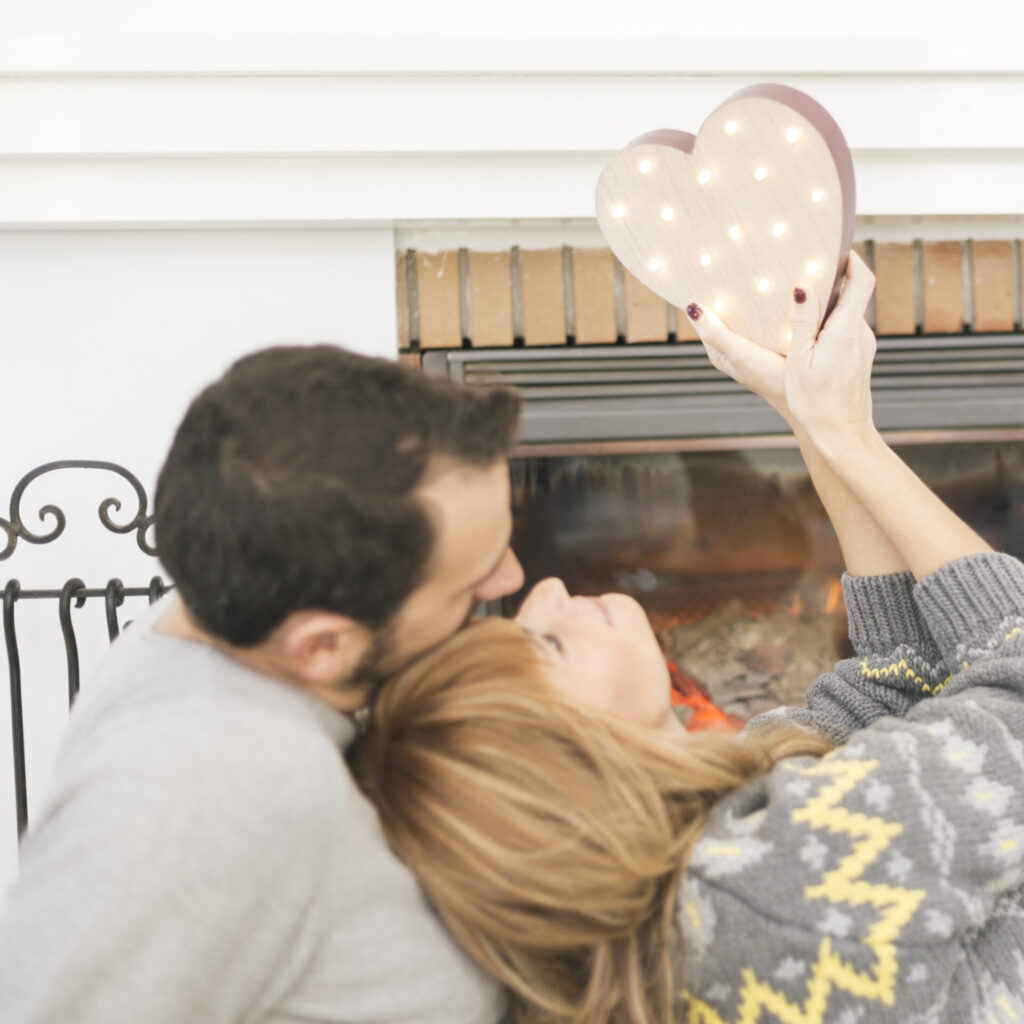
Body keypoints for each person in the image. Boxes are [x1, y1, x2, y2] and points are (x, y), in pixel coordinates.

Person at [350, 253, 1024, 1023]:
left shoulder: (703, 860)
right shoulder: (767, 888)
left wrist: (816, 422)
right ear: (575, 767)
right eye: (547, 645)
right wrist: (850, 437)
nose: (544, 592)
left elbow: (891, 692)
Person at [0, 345, 526, 1023]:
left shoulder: (207, 625)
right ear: (322, 648)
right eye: (472, 578)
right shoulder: (210, 786)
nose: (511, 577)